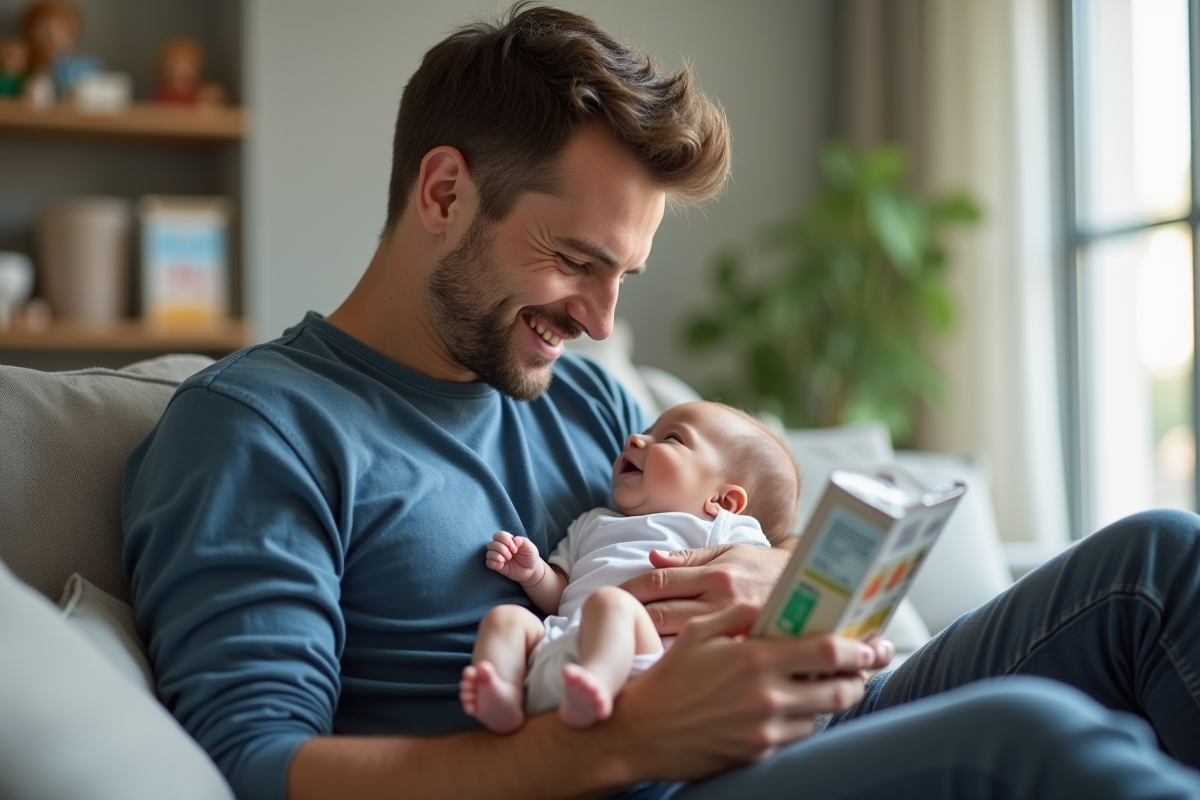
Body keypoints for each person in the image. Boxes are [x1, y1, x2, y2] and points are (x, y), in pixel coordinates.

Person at [121, 4, 1200, 799]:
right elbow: (257, 766)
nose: (598, 320)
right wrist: (626, 742)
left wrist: (770, 574)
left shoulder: (585, 401)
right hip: (631, 783)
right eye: (575, 261)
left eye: (622, 277)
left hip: (762, 737)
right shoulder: (259, 427)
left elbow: (711, 535)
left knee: (1158, 559)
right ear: (444, 192)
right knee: (1031, 735)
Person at [461, 400, 800, 732]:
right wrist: (534, 573)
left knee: (611, 603)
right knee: (506, 618)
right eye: (646, 431)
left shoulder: (723, 530)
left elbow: (763, 579)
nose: (634, 439)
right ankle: (503, 692)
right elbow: (561, 593)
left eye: (671, 439)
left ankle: (597, 682)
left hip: (646, 665)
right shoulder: (592, 523)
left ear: (723, 501)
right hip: (560, 645)